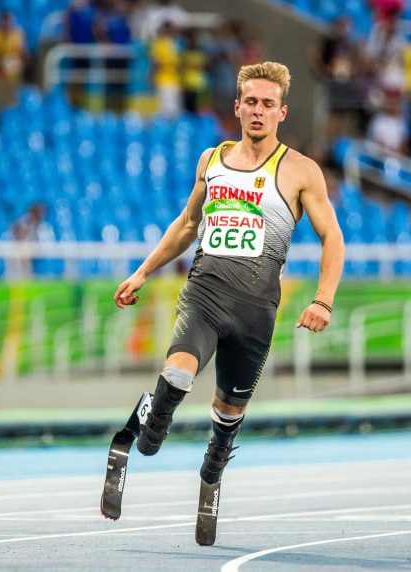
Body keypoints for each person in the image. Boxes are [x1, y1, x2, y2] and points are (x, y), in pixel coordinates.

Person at [114, 62, 344, 540]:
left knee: (228, 414)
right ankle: (146, 426)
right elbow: (186, 226)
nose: (258, 111)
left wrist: (323, 300)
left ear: (282, 111)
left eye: (268, 104)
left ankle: (212, 469)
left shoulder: (301, 170)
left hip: (257, 310)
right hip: (205, 294)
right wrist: (142, 272)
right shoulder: (212, 160)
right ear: (237, 107)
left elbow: (333, 239)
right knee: (177, 372)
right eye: (251, 102)